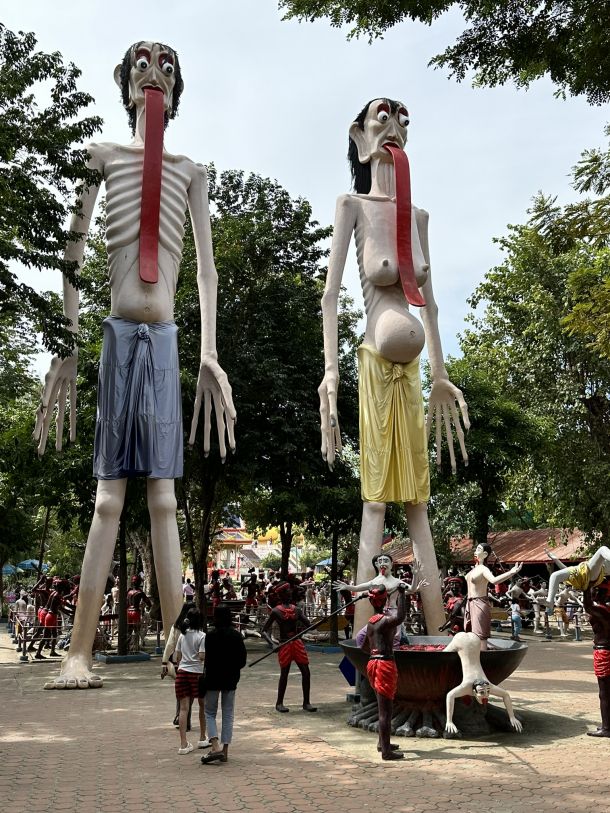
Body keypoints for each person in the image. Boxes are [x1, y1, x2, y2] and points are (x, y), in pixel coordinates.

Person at [34, 40, 235, 690]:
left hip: (167, 337)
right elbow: (72, 253)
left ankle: (183, 652)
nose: (155, 73)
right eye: (143, 64)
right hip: (119, 335)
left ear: (177, 90)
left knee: (165, 498)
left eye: (168, 66)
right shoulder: (101, 157)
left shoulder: (191, 172)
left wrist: (208, 353)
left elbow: (206, 269)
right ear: (125, 83)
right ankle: (77, 653)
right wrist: (67, 342)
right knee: (108, 499)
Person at [318, 98, 470, 636]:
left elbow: (429, 304)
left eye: (404, 120)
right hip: (375, 364)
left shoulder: (417, 217)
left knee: (419, 505)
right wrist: (331, 373)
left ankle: (437, 634)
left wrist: (441, 375)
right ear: (361, 135)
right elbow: (330, 296)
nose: (395, 128)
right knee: (377, 503)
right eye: (382, 117)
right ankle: (366, 637)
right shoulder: (353, 206)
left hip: (412, 375)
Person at [363, 575, 426, 760]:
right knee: (386, 711)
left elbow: (364, 647)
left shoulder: (371, 622)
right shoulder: (385, 620)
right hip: (384, 665)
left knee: (382, 707)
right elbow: (400, 617)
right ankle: (386, 752)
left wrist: (375, 653)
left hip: (373, 663)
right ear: (384, 601)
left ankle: (382, 743)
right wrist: (402, 594)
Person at [443, 632, 523, 736]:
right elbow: (450, 695)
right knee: (442, 654)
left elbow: (505, 695)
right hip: (462, 641)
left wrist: (512, 717)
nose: (485, 694)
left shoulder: (487, 685)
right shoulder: (467, 685)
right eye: (481, 692)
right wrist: (449, 721)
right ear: (474, 691)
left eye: (487, 692)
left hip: (475, 640)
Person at [200, 605, 247, 764]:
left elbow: (207, 660)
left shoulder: (210, 636)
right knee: (228, 713)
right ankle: (225, 751)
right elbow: (242, 661)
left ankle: (215, 746)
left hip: (213, 679)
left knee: (209, 712)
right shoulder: (236, 636)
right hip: (231, 679)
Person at [261, 581, 317, 713]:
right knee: (284, 674)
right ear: (281, 594)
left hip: (297, 642)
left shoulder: (296, 609)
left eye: (289, 590)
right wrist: (272, 644)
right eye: (287, 591)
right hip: (284, 644)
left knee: (306, 672)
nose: (290, 592)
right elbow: (264, 631)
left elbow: (309, 625)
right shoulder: (276, 611)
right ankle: (279, 703)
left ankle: (306, 702)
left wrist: (319, 623)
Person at [465, 544, 522, 650]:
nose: (475, 551)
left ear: (485, 554)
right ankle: (474, 657)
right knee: (470, 635)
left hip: (479, 603)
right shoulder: (474, 569)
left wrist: (511, 572)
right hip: (469, 603)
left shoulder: (483, 569)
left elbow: (494, 580)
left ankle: (482, 656)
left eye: (478, 549)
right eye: (476, 549)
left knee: (480, 636)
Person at [161, 603, 203, 736]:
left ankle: (180, 718)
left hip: (180, 666)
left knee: (182, 696)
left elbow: (170, 646)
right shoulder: (199, 632)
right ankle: (186, 721)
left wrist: (164, 663)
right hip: (194, 668)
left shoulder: (177, 627)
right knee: (190, 697)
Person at [174, 606, 207, 755]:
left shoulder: (182, 635)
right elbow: (201, 656)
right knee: (202, 706)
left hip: (182, 673)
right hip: (197, 674)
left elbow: (177, 656)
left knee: (183, 709)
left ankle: (183, 744)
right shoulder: (202, 636)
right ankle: (202, 737)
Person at [582, 583, 610, 737]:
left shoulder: (601, 610)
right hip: (605, 650)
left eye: (595, 590)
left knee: (604, 693)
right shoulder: (605, 609)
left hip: (604, 652)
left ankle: (607, 728)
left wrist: (585, 586)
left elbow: (587, 606)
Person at [545, 547, 610, 610]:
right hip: (587, 573)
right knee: (602, 549)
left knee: (555, 575)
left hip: (586, 576)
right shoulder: (574, 578)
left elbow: (563, 569)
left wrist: (555, 559)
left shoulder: (573, 576)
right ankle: (550, 601)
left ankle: (549, 601)